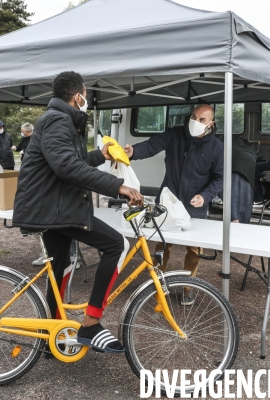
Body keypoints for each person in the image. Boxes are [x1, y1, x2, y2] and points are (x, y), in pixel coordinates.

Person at [13, 71, 143, 354]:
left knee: (62, 266)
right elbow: (67, 167)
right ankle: (91, 323)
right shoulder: (58, 121)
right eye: (86, 96)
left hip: (50, 207)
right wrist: (118, 187)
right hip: (53, 209)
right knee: (116, 244)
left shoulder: (57, 120)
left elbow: (73, 159)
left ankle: (52, 335)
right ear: (78, 97)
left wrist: (102, 156)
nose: (87, 101)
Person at [123, 104, 224, 305]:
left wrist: (205, 196)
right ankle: (158, 282)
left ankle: (188, 287)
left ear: (210, 123)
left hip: (195, 204)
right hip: (168, 199)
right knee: (162, 243)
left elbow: (220, 178)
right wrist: (133, 151)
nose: (195, 122)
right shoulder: (175, 135)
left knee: (194, 249)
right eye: (194, 117)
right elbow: (152, 145)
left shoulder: (216, 147)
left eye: (202, 120)